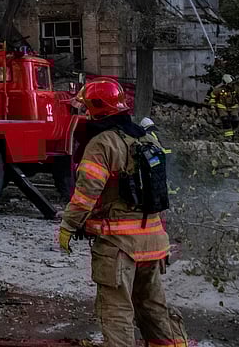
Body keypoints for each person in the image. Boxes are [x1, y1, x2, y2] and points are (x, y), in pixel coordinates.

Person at [57, 78, 188, 347]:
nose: (83, 114)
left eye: (85, 108)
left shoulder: (102, 144)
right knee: (152, 306)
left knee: (117, 311)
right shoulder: (146, 137)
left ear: (96, 109)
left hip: (118, 247)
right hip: (154, 242)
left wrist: (68, 226)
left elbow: (86, 194)